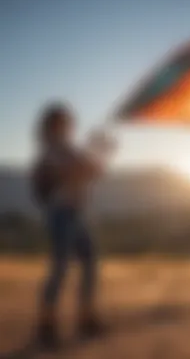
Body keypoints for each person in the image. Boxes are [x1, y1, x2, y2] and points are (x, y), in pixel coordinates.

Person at [31, 100, 115, 349]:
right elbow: (71, 174)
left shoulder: (68, 149)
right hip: (62, 214)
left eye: (68, 121)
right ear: (53, 125)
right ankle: (46, 326)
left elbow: (93, 173)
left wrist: (100, 150)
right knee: (60, 268)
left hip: (77, 214)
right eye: (64, 121)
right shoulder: (51, 151)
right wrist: (92, 153)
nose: (68, 125)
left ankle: (86, 319)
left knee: (89, 264)